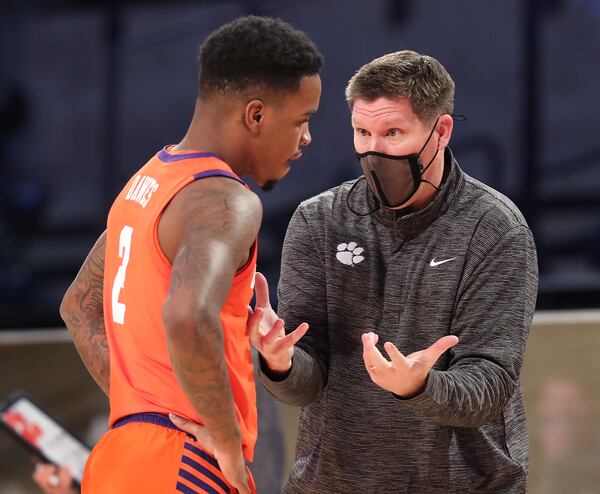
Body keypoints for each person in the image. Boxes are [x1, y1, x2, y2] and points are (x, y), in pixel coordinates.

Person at [59, 15, 322, 494]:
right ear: (256, 114)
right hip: (184, 465)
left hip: (121, 459)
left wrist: (147, 412)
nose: (306, 139)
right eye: (301, 121)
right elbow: (185, 315)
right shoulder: (226, 199)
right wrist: (224, 443)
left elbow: (78, 308)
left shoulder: (146, 184)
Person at [254, 50, 538, 493]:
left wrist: (420, 386)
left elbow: (491, 383)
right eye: (362, 132)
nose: (374, 150)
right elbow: (306, 386)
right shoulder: (318, 220)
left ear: (441, 131)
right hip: (334, 483)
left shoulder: (494, 227)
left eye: (393, 132)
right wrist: (280, 363)